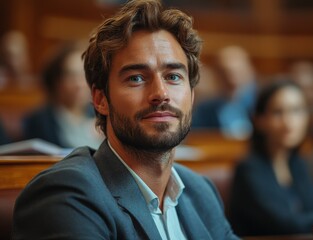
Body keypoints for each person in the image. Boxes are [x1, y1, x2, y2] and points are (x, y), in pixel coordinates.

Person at [13, 1, 238, 239]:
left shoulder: (200, 192)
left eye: (173, 76)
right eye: (136, 78)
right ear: (101, 99)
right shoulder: (64, 195)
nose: (160, 93)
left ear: (191, 96)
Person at [229, 79, 313, 236]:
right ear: (260, 120)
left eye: (296, 111)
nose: (288, 121)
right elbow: (286, 224)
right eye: (277, 112)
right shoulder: (248, 170)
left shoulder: (299, 165)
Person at [22, 41, 103, 149]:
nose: (79, 84)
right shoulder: (39, 121)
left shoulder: (100, 116)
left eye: (83, 75)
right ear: (55, 81)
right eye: (70, 76)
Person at [192, 45, 257, 139]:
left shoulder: (261, 104)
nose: (232, 80)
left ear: (250, 71)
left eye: (238, 72)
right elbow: (195, 137)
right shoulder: (205, 108)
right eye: (225, 72)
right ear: (216, 74)